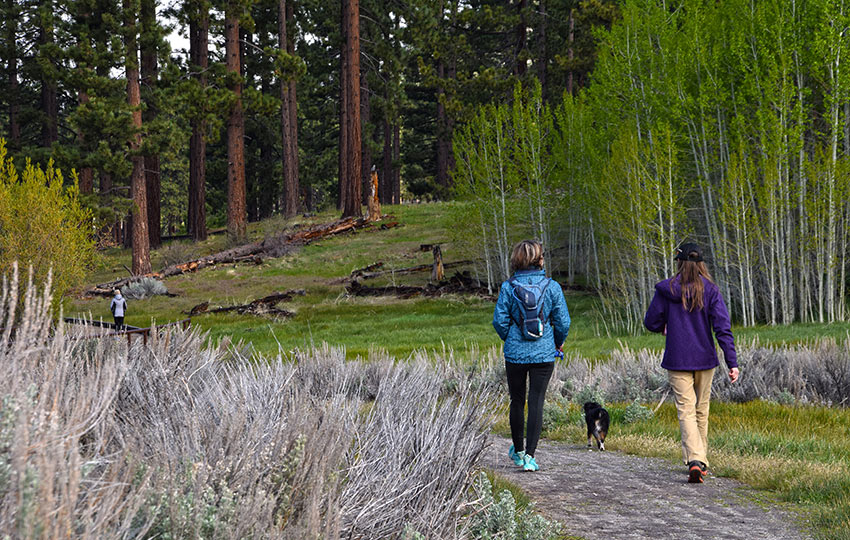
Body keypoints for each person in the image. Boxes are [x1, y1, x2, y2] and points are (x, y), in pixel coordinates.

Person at [643, 242, 739, 483]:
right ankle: (699, 461)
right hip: (705, 359)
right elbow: (722, 328)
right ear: (701, 264)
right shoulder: (710, 290)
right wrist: (732, 362)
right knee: (701, 411)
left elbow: (650, 322)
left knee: (686, 410)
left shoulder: (667, 290)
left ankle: (696, 460)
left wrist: (665, 325)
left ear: (679, 262)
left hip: (677, 359)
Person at [493, 240, 570, 472]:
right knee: (536, 401)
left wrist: (512, 337)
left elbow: (499, 321)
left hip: (515, 354)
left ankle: (517, 451)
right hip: (544, 353)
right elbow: (563, 321)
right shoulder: (552, 287)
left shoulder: (508, 287)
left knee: (517, 401)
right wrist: (557, 342)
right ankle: (530, 457)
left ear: (516, 259)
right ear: (539, 260)